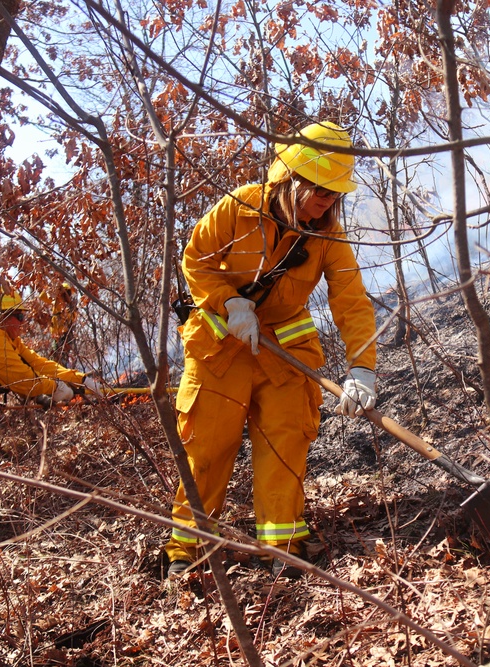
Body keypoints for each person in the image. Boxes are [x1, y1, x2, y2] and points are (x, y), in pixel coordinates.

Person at [163, 121, 378, 578]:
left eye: (334, 192)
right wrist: (231, 303)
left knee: (285, 443)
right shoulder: (237, 207)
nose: (326, 200)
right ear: (289, 178)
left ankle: (281, 550)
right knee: (207, 449)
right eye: (319, 188)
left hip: (286, 354)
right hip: (221, 349)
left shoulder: (328, 237)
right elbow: (195, 258)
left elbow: (351, 300)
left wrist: (362, 369)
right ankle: (188, 551)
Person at [0, 289, 102, 507]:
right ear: (1, 316)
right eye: (19, 316)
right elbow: (22, 379)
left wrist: (80, 380)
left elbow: (38, 364)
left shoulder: (7, 339)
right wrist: (56, 388)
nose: (22, 322)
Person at [49, 282, 78, 365]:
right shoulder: (55, 303)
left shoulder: (71, 308)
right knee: (54, 357)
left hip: (65, 336)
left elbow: (72, 319)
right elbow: (43, 296)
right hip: (56, 336)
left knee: (62, 357)